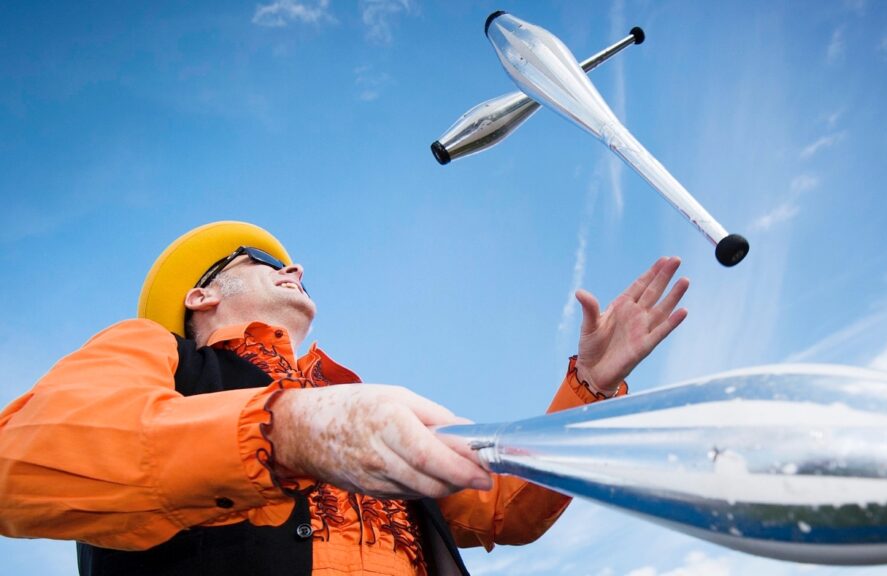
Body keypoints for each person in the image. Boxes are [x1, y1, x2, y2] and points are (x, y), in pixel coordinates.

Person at [0, 221, 690, 576]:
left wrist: (589, 388)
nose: (292, 266)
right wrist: (288, 432)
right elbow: (21, 461)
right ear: (199, 295)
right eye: (262, 263)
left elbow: (503, 509)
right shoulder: (155, 357)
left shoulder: (356, 403)